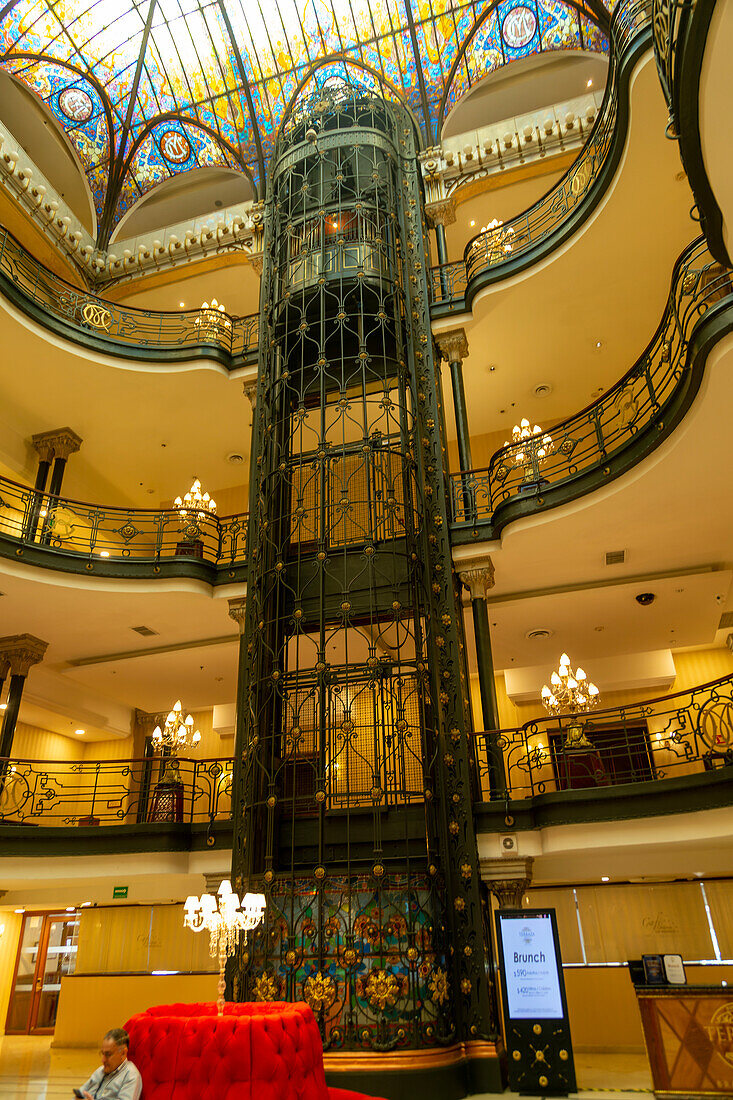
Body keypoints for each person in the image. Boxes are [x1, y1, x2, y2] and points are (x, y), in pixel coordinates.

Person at [76, 1028, 142, 1099]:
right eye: (102, 1053)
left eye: (108, 1054)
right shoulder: (100, 1071)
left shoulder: (130, 1076)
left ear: (123, 1053)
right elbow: (81, 1093)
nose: (103, 1060)